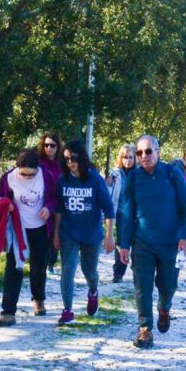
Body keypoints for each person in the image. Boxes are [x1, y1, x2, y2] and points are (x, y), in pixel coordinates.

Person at [117, 135, 186, 348]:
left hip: (171, 244)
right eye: (140, 152)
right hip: (142, 242)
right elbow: (126, 212)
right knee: (142, 286)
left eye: (148, 151)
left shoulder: (173, 174)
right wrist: (123, 244)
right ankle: (145, 329)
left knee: (168, 286)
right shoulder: (133, 178)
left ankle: (164, 308)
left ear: (158, 152)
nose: (144, 156)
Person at [0, 149, 57, 326]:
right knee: (13, 267)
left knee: (39, 265)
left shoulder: (47, 176)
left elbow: (55, 198)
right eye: (23, 174)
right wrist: (8, 205)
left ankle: (38, 299)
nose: (27, 178)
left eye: (31, 175)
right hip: (18, 228)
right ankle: (8, 312)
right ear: (17, 168)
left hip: (40, 228)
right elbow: (1, 198)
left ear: (37, 168)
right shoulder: (9, 177)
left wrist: (48, 208)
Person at [53, 139, 114, 325]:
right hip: (68, 232)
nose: (70, 162)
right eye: (66, 159)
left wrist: (109, 235)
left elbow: (108, 208)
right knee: (67, 270)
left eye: (73, 158)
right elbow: (58, 209)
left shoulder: (95, 179)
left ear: (82, 158)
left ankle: (93, 291)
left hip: (91, 233)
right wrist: (56, 233)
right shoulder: (63, 180)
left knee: (89, 271)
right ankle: (67, 310)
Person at [107, 143, 136, 282]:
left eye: (131, 157)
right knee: (121, 243)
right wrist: (107, 182)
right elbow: (108, 193)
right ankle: (118, 273)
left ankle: (138, 270)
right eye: (125, 157)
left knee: (137, 243)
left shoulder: (140, 173)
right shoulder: (115, 174)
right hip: (120, 213)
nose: (128, 160)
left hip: (137, 214)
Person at [38, 133, 65, 273]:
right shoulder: (38, 162)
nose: (49, 148)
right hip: (40, 202)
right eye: (46, 145)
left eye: (52, 145)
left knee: (55, 232)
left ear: (57, 147)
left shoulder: (62, 164)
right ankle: (40, 261)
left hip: (57, 203)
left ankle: (51, 262)